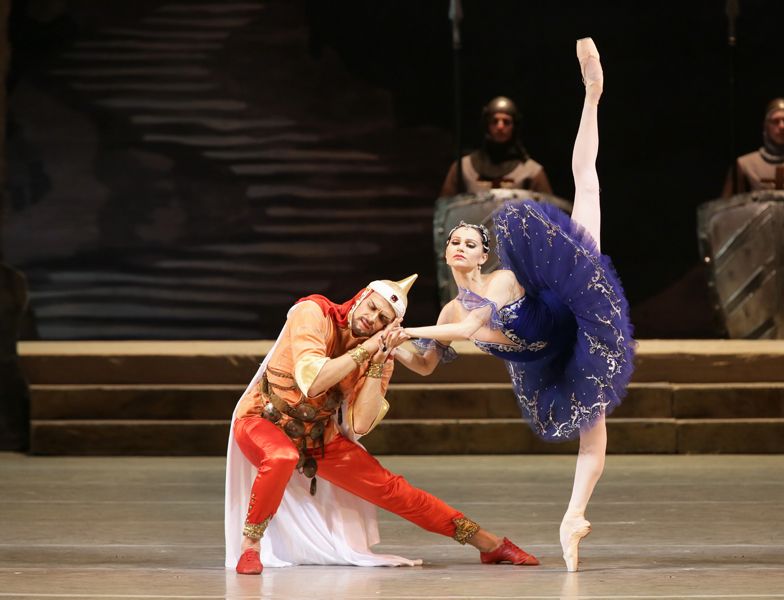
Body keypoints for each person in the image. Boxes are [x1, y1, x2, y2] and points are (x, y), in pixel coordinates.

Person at [394, 38, 634, 572]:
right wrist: (388, 347)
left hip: (567, 306)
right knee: (588, 425)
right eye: (454, 242)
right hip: (545, 357)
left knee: (587, 189)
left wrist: (408, 331)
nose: (460, 247)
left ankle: (592, 94)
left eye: (470, 243)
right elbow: (427, 364)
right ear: (446, 252)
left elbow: (468, 331)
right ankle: (574, 518)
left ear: (483, 256)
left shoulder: (499, 283)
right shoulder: (448, 314)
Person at [224, 275, 538, 573]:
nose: (372, 319)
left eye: (382, 319)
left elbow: (361, 424)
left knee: (394, 490)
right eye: (372, 307)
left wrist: (376, 363)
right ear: (361, 297)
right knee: (281, 455)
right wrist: (366, 350)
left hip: (317, 438)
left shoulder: (378, 353)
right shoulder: (314, 312)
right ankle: (250, 545)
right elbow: (314, 381)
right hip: (261, 419)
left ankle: (489, 544)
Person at [439, 96, 553, 197]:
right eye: (495, 121)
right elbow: (444, 208)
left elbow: (548, 210)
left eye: (506, 122)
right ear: (487, 125)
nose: (500, 127)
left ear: (514, 126)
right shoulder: (463, 168)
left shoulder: (531, 172)